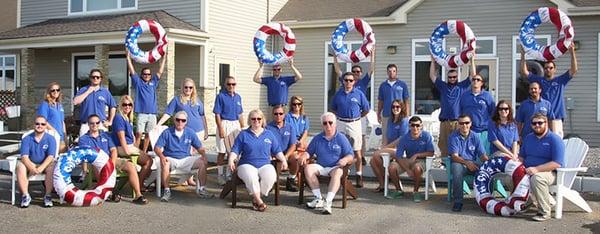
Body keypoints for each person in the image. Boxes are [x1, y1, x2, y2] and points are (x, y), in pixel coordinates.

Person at [79, 114, 148, 205]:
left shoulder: (106, 135)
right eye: (92, 123)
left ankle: (138, 195)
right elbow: (86, 154)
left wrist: (112, 162)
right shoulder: (84, 139)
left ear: (99, 123)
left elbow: (113, 150)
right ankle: (108, 192)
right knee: (97, 166)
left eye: (97, 122)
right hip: (96, 161)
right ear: (88, 124)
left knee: (130, 166)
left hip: (111, 160)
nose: (94, 125)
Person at [228, 109, 288, 212]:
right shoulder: (243, 134)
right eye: (253, 119)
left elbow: (277, 150)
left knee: (271, 176)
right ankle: (260, 202)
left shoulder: (269, 134)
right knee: (251, 176)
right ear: (249, 120)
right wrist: (230, 160)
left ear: (262, 120)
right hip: (246, 164)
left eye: (259, 118)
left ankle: (256, 198)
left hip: (265, 164)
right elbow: (235, 150)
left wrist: (283, 160)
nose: (256, 121)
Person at [157, 78, 209, 186]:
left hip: (198, 131)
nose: (188, 89)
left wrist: (206, 130)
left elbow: (202, 116)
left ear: (193, 88)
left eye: (190, 87)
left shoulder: (197, 100)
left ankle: (189, 179)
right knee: (186, 154)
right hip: (185, 132)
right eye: (186, 87)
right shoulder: (177, 100)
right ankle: (184, 179)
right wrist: (158, 124)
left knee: (193, 155)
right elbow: (168, 113)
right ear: (182, 88)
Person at [302, 112, 354, 215]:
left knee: (337, 173)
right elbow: (309, 152)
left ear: (335, 124)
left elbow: (350, 155)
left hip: (336, 167)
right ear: (322, 125)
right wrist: (304, 156)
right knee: (308, 168)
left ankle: (328, 202)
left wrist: (345, 160)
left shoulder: (341, 138)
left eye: (330, 122)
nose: (328, 125)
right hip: (321, 166)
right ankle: (318, 198)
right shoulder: (317, 138)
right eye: (325, 123)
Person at [520, 45, 577, 138]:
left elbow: (574, 70)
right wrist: (523, 54)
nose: (548, 70)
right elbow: (524, 72)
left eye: (550, 68)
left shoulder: (561, 80)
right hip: (542, 118)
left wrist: (572, 52)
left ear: (555, 69)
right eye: (546, 68)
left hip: (556, 117)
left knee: (556, 140)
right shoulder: (539, 81)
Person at [154, 111, 213, 202]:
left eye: (183, 120)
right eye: (178, 120)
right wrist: (161, 156)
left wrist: (203, 155)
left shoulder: (190, 132)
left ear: (186, 122)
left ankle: (202, 189)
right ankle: (167, 191)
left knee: (202, 162)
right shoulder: (167, 132)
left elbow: (199, 147)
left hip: (186, 159)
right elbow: (157, 148)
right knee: (165, 163)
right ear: (174, 120)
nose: (180, 122)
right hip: (171, 158)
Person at [334, 48, 376, 164]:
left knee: (361, 137)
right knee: (343, 137)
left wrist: (373, 55)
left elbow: (371, 70)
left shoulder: (363, 82)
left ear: (361, 73)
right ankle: (346, 156)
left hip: (359, 115)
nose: (357, 73)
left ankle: (360, 157)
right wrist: (335, 57)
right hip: (344, 117)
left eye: (358, 71)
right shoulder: (346, 82)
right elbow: (337, 70)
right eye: (354, 71)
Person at [519, 113, 564, 221]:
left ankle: (544, 212)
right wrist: (515, 166)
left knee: (537, 178)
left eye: (540, 123)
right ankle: (529, 201)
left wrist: (536, 169)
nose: (537, 125)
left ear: (546, 123)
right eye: (534, 123)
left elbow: (557, 163)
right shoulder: (529, 138)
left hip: (550, 173)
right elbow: (521, 157)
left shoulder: (555, 140)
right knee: (509, 176)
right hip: (528, 170)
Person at [429, 55, 474, 157]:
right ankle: (446, 167)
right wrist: (432, 61)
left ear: (457, 77)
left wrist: (472, 60)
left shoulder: (462, 86)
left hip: (457, 123)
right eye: (450, 77)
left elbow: (472, 76)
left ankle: (457, 166)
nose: (452, 79)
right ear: (447, 78)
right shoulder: (443, 86)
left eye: (454, 77)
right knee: (444, 147)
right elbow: (432, 76)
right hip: (444, 122)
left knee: (458, 147)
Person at [330, 72, 369, 187]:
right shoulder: (338, 94)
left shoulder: (359, 94)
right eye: (346, 80)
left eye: (351, 80)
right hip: (341, 122)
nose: (348, 82)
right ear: (343, 81)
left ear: (354, 82)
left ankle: (359, 175)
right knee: (341, 150)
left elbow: (366, 109)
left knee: (357, 150)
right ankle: (342, 175)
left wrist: (357, 117)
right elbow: (333, 109)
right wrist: (340, 117)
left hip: (354, 123)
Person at [111, 96, 153, 193]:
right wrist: (127, 151)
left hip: (130, 146)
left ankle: (138, 183)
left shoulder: (127, 118)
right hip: (122, 147)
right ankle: (139, 185)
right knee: (148, 161)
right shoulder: (119, 118)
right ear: (120, 106)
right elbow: (121, 137)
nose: (127, 107)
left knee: (150, 160)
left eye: (130, 104)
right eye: (125, 104)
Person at [126, 50, 165, 153]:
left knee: (149, 135)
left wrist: (163, 58)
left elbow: (160, 71)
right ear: (142, 75)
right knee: (139, 134)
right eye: (145, 74)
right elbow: (132, 70)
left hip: (152, 114)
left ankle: (143, 152)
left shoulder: (153, 82)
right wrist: (128, 58)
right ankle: (136, 152)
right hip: (142, 114)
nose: (147, 75)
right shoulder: (138, 83)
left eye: (148, 74)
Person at [448, 115, 489, 212]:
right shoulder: (453, 136)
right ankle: (458, 201)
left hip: (474, 163)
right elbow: (454, 156)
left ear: (470, 124)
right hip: (460, 163)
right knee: (456, 169)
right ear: (458, 124)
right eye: (461, 123)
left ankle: (486, 199)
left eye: (466, 123)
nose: (464, 125)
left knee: (487, 170)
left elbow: (482, 155)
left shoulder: (475, 136)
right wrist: (467, 163)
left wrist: (489, 163)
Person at [392, 116, 435, 202]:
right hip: (408, 160)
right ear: (409, 126)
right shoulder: (404, 138)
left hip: (422, 160)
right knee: (392, 167)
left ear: (421, 126)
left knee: (417, 168)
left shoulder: (426, 136)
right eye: (413, 125)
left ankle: (416, 191)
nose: (415, 128)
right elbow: (398, 156)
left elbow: (431, 152)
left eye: (417, 125)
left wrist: (417, 155)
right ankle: (398, 190)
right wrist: (407, 170)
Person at [369, 99, 408, 193]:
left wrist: (385, 148)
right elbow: (386, 136)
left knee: (376, 155)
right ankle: (383, 185)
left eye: (398, 107)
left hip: (401, 149)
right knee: (372, 161)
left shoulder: (404, 120)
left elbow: (401, 139)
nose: (395, 109)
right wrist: (384, 146)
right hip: (390, 148)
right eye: (393, 107)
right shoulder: (390, 120)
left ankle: (387, 178)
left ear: (401, 107)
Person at [17, 116, 57, 208]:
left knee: (52, 167)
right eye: (37, 124)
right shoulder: (27, 139)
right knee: (20, 166)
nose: (40, 126)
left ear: (46, 125)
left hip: (45, 164)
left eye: (42, 124)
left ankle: (47, 195)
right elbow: (24, 157)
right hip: (31, 163)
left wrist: (41, 168)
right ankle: (25, 196)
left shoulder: (51, 139)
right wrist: (32, 168)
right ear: (33, 125)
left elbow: (50, 156)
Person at [214, 76, 245, 184]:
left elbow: (240, 113)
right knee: (222, 151)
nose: (231, 86)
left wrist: (243, 127)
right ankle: (220, 175)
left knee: (233, 152)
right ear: (225, 85)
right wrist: (220, 128)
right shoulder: (220, 96)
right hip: (224, 123)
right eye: (229, 84)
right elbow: (217, 114)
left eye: (233, 84)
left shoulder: (238, 97)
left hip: (235, 125)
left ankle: (229, 174)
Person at [73, 69, 117, 137]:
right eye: (93, 77)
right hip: (86, 125)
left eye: (97, 77)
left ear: (100, 79)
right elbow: (75, 102)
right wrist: (88, 91)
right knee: (85, 147)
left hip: (101, 125)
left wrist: (110, 121)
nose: (95, 78)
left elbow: (113, 106)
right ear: (90, 78)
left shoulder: (105, 92)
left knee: (103, 146)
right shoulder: (83, 89)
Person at [459, 73, 495, 154]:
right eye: (473, 79)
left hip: (484, 131)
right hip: (469, 130)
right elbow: (461, 112)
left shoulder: (487, 96)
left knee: (484, 154)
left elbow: (493, 112)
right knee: (470, 154)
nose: (475, 81)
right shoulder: (465, 95)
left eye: (478, 80)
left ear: (481, 83)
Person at [265, 105, 299, 192]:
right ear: (273, 115)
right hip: (273, 155)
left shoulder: (290, 127)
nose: (278, 116)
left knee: (295, 158)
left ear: (284, 115)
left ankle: (291, 180)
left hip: (287, 154)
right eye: (276, 114)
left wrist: (286, 157)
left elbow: (293, 145)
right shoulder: (267, 128)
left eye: (280, 113)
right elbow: (265, 144)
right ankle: (271, 182)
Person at [377, 64, 409, 144]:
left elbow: (406, 100)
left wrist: (407, 114)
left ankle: (399, 154)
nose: (392, 73)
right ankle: (385, 153)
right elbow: (381, 101)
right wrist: (378, 113)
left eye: (394, 71)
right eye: (390, 71)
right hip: (387, 114)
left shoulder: (402, 85)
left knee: (400, 137)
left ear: (396, 72)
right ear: (387, 72)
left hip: (400, 115)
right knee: (386, 136)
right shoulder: (383, 85)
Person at [36, 82, 67, 153]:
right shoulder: (45, 104)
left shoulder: (59, 105)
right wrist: (55, 132)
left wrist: (65, 137)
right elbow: (42, 121)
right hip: (50, 136)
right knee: (51, 158)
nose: (55, 92)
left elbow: (62, 122)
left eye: (57, 90)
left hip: (60, 137)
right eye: (53, 90)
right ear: (49, 92)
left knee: (60, 159)